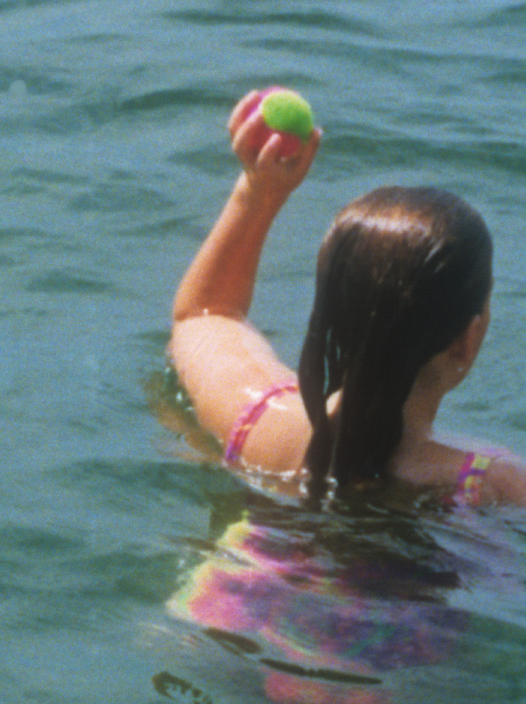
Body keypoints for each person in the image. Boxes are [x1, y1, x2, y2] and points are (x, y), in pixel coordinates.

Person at [168, 86, 522, 505]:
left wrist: (258, 192)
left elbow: (204, 314)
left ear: (330, 314)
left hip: (255, 547)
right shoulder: (492, 483)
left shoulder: (255, 419)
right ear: (467, 339)